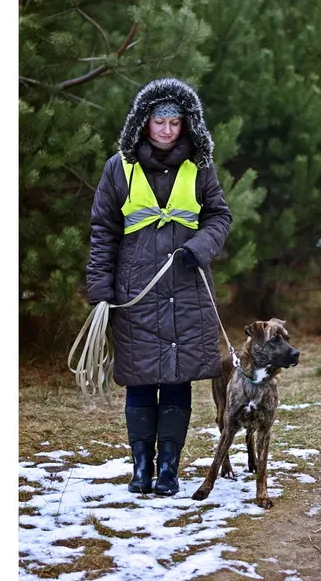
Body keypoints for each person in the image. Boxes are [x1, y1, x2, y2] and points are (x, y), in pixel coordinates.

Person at [86, 78, 232, 496]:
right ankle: (140, 468)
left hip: (187, 288)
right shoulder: (119, 168)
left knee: (176, 377)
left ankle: (168, 469)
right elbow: (103, 232)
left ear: (187, 124)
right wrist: (100, 294)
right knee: (139, 378)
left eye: (175, 121)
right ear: (143, 122)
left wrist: (199, 247)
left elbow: (219, 216)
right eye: (159, 121)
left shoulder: (199, 167)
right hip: (137, 291)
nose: (167, 130)